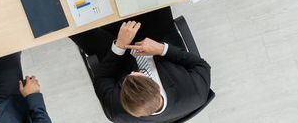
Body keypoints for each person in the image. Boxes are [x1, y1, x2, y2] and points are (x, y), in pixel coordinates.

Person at [68, 8, 211, 122]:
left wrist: (119, 46)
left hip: (114, 57)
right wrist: (161, 49)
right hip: (158, 38)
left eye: (127, 80)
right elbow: (199, 64)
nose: (131, 73)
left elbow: (101, 77)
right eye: (138, 76)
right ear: (157, 87)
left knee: (69, 20)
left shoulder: (118, 112)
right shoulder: (196, 93)